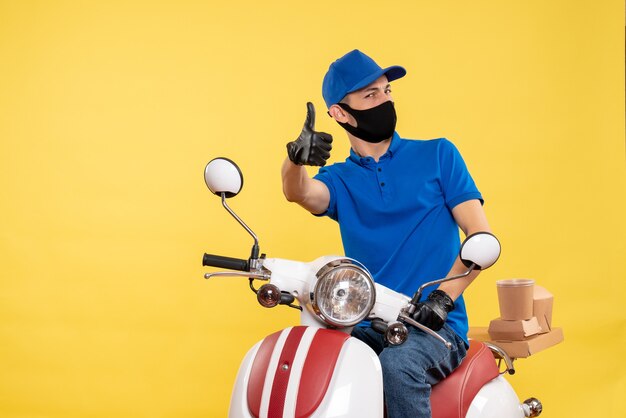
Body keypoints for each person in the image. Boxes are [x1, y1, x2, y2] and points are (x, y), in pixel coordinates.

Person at [281, 49, 492, 418]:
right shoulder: (340, 180)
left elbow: (480, 237)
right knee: (312, 360)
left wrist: (443, 299)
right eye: (371, 95)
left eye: (387, 90)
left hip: (435, 328)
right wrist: (295, 159)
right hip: (367, 323)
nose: (385, 100)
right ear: (340, 114)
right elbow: (299, 192)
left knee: (399, 367)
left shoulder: (439, 155)